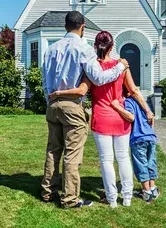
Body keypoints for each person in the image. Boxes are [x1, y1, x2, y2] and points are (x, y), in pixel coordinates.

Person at [50, 30, 154, 208]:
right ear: (112, 46)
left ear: (95, 46)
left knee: (106, 160)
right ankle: (127, 197)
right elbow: (134, 91)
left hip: (101, 118)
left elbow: (82, 90)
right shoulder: (121, 66)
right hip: (120, 117)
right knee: (123, 158)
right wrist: (147, 111)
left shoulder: (92, 68)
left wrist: (58, 93)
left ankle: (112, 199)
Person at [41, 11, 129, 209]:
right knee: (72, 153)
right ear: (82, 27)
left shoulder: (51, 49)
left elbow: (44, 79)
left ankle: (48, 191)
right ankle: (70, 199)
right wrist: (120, 67)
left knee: (53, 150)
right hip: (72, 105)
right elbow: (98, 78)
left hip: (53, 103)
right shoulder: (84, 49)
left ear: (65, 26)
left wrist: (50, 98)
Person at [111, 86, 159, 204]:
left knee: (141, 164)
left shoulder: (128, 102)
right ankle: (153, 188)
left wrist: (117, 107)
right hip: (150, 136)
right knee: (151, 161)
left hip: (138, 138)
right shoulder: (143, 103)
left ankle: (146, 191)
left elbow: (130, 117)